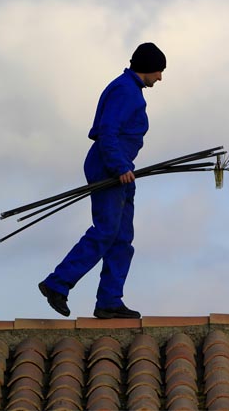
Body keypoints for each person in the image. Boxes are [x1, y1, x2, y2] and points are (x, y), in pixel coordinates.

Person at [38, 42, 166, 319]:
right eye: (159, 71)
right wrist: (119, 166)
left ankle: (109, 300)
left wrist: (123, 168)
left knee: (122, 238)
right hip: (110, 166)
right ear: (148, 67)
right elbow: (107, 131)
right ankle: (56, 284)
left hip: (121, 169)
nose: (160, 78)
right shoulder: (125, 90)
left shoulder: (129, 89)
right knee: (106, 231)